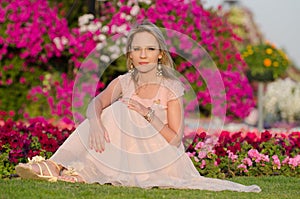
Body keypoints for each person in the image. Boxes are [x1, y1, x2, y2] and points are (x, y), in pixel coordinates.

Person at [16, 20, 261, 192]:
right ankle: (59, 166)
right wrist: (96, 122)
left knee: (123, 109)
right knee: (109, 110)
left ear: (160, 55)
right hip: (126, 147)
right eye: (137, 49)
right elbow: (96, 102)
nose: (143, 54)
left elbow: (175, 139)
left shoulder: (170, 88)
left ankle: (69, 169)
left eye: (150, 49)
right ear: (130, 55)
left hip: (158, 156)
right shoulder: (124, 81)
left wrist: (148, 114)